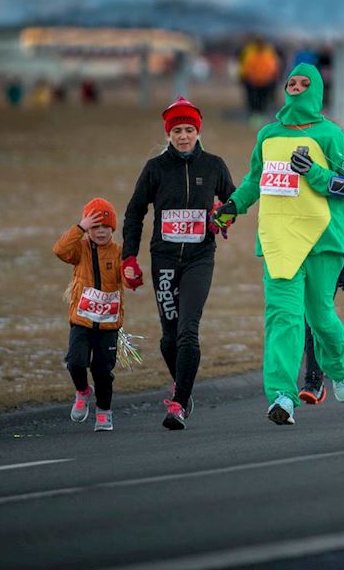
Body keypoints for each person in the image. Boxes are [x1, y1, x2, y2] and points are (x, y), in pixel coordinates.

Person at [213, 63, 344, 426]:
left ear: (316, 90)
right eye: (291, 81)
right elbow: (254, 180)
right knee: (283, 317)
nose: (296, 87)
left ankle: (341, 366)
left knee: (320, 316)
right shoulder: (267, 135)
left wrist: (314, 172)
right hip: (278, 238)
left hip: (321, 239)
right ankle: (281, 395)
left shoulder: (331, 136)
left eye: (304, 82)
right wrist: (232, 206)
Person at [121, 96, 236, 431]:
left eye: (189, 130)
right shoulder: (155, 169)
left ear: (198, 132)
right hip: (165, 259)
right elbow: (134, 212)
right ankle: (183, 388)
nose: (183, 136)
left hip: (200, 258)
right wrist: (130, 256)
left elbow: (234, 201)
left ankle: (180, 402)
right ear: (168, 133)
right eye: (177, 130)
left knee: (188, 330)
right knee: (168, 338)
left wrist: (221, 218)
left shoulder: (213, 165)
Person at [56, 199, 135, 432]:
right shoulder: (79, 249)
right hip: (81, 321)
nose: (100, 232)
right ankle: (82, 391)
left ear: (113, 228)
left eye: (105, 227)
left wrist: (132, 276)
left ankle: (104, 411)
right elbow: (60, 250)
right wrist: (79, 228)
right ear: (88, 229)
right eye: (95, 227)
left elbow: (130, 280)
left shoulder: (119, 252)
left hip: (109, 325)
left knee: (102, 371)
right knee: (75, 362)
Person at [298, 202, 344, 404]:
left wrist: (341, 240)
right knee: (291, 318)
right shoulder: (288, 184)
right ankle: (285, 391)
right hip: (292, 261)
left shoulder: (334, 184)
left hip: (327, 262)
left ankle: (314, 381)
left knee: (314, 318)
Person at [238, 36, 281, 123]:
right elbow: (246, 66)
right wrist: (246, 76)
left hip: (265, 80)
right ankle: (254, 116)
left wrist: (272, 76)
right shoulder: (250, 51)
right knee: (253, 99)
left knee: (263, 99)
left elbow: (273, 66)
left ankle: (261, 115)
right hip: (253, 80)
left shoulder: (268, 52)